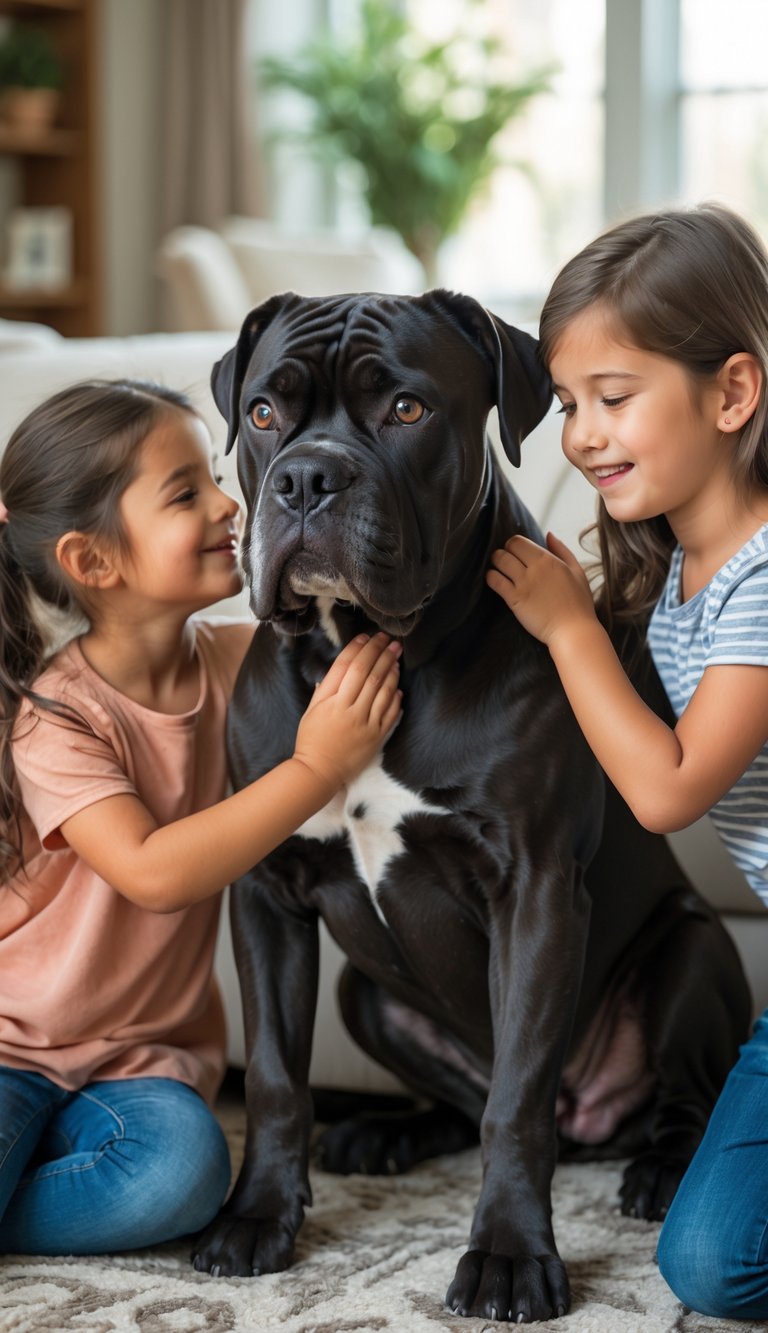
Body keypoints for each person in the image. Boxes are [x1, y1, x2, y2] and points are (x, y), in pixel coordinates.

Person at [0, 378, 402, 1258]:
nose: (232, 501)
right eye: (186, 492)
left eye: (216, 477)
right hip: (10, 1049)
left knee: (180, 1178)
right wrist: (314, 768)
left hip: (140, 1064)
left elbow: (380, 656)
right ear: (93, 562)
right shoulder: (57, 716)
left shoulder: (238, 663)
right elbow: (154, 870)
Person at [486, 202, 768, 1320]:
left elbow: (666, 786)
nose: (582, 434)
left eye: (614, 398)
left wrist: (569, 632)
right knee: (710, 1265)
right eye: (566, 405)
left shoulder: (762, 575)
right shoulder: (678, 577)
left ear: (733, 393)